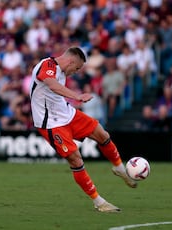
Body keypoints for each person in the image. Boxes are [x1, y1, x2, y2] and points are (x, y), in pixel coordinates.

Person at [29, 46, 137, 213]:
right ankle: (99, 202)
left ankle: (119, 167)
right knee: (76, 159)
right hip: (50, 123)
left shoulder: (62, 71)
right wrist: (77, 96)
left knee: (102, 133)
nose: (76, 72)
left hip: (67, 114)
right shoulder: (47, 65)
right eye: (77, 68)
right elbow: (52, 85)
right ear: (71, 61)